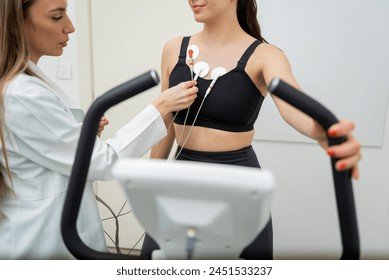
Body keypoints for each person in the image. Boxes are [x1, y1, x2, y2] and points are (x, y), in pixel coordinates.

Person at [141, 0, 362, 260]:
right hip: (180, 179)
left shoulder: (265, 55)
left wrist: (326, 132)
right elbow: (166, 123)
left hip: (237, 183)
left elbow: (293, 108)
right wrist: (148, 183)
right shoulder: (173, 49)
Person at [0, 0, 198, 259]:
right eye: (57, 17)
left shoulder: (26, 84)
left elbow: (42, 146)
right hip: (41, 240)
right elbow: (102, 163)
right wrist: (159, 108)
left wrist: (79, 136)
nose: (70, 27)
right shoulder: (23, 94)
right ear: (18, 25)